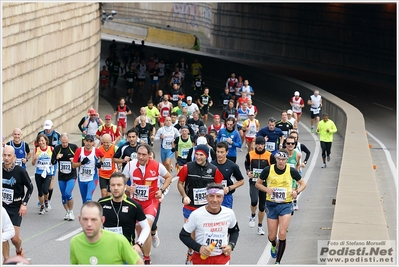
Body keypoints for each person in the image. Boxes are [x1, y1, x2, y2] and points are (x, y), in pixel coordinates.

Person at [123, 144, 172, 265]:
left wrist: (161, 190)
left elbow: (168, 177)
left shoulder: (157, 166)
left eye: (143, 155)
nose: (140, 157)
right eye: (139, 154)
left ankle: (146, 259)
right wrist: (128, 188)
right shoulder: (130, 165)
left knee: (146, 227)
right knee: (139, 229)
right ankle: (145, 251)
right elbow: (121, 181)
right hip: (135, 203)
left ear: (149, 155)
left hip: (151, 202)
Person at [255, 150, 306, 265]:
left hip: (286, 204)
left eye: (283, 159)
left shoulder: (291, 170)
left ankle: (277, 262)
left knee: (282, 233)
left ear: (286, 160)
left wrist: (296, 191)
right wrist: (267, 189)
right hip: (271, 204)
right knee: (272, 236)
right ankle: (273, 244)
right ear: (276, 159)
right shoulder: (268, 170)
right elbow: (257, 184)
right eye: (279, 159)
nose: (281, 161)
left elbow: (303, 184)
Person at [177, 145, 224, 264]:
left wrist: (216, 202)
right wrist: (184, 196)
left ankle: (203, 254)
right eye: (196, 154)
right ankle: (191, 252)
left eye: (201, 155)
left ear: (206, 156)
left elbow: (219, 188)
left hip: (206, 208)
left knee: (204, 233)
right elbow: (180, 183)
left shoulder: (214, 170)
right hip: (190, 206)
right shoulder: (187, 167)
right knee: (191, 234)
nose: (198, 157)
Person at [179, 183, 239, 265]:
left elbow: (234, 231)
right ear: (206, 197)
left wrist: (231, 245)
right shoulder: (196, 214)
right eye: (211, 196)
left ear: (222, 198)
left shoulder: (229, 213)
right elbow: (183, 235)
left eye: (218, 196)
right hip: (201, 259)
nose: (215, 200)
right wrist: (199, 248)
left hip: (221, 259)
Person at [70, 201, 144, 265]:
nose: (89, 224)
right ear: (79, 219)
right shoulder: (75, 242)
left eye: (94, 219)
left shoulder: (119, 241)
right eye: (85, 219)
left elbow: (138, 263)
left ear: (102, 220)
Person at [98, 172, 151, 256]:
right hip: (106, 249)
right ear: (110, 187)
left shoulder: (134, 206)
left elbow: (146, 227)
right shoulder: (102, 203)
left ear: (125, 187)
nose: (116, 188)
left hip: (127, 251)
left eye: (119, 185)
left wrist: (138, 244)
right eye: (113, 185)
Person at [2, 145, 34, 261]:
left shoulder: (20, 171)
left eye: (9, 155)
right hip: (3, 207)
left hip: (15, 207)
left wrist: (24, 204)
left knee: (14, 238)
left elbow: (30, 188)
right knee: (3, 235)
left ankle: (19, 248)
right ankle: (6, 260)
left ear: (14, 157)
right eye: (4, 155)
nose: (6, 158)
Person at [245, 136, 276, 235]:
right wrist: (248, 172)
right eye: (258, 144)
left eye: (262, 144)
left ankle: (260, 225)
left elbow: (273, 168)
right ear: (255, 144)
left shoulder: (269, 155)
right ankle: (253, 215)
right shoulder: (250, 154)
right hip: (254, 182)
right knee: (254, 201)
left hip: (264, 184)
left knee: (262, 207)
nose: (259, 146)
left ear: (264, 145)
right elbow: (246, 165)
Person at [51, 133, 78, 220]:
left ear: (68, 140)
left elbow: (80, 160)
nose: (65, 144)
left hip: (71, 175)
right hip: (62, 176)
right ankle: (67, 212)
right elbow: (52, 162)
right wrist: (56, 157)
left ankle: (71, 211)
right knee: (63, 195)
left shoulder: (73, 147)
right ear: (60, 141)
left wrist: (74, 160)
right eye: (63, 142)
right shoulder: (57, 148)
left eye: (66, 142)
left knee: (68, 193)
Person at [36, 119, 61, 210]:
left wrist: (57, 157)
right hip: (42, 160)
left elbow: (59, 147)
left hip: (52, 161)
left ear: (52, 127)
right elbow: (36, 146)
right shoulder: (40, 134)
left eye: (49, 128)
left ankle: (48, 200)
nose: (47, 130)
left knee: (50, 181)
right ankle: (42, 198)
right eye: (46, 129)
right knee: (42, 182)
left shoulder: (57, 135)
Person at [72, 135, 105, 204]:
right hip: (82, 178)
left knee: (88, 197)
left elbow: (103, 156)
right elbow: (73, 165)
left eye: (91, 141)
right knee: (84, 200)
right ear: (84, 141)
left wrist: (100, 163)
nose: (88, 143)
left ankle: (90, 213)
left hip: (92, 178)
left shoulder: (96, 151)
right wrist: (81, 163)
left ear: (93, 143)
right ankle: (85, 214)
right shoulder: (79, 151)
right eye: (87, 141)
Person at [211, 142, 244, 209]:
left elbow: (241, 181)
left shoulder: (232, 166)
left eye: (222, 152)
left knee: (225, 218)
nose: (219, 154)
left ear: (227, 152)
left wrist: (229, 188)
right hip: (213, 195)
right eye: (218, 152)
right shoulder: (211, 165)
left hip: (226, 196)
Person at [32, 134, 54, 214]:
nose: (41, 142)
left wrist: (54, 162)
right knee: (40, 192)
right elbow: (33, 163)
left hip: (48, 172)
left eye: (42, 140)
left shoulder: (51, 149)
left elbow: (54, 160)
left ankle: (46, 202)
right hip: (38, 173)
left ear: (46, 140)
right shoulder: (36, 150)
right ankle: (42, 206)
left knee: (45, 190)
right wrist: (34, 159)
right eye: (39, 141)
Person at [98, 134, 119, 198]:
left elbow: (120, 158)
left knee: (110, 194)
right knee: (103, 193)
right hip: (102, 174)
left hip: (112, 174)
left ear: (110, 141)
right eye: (104, 142)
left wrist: (118, 167)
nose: (106, 144)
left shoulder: (115, 148)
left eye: (107, 142)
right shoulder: (99, 148)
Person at [285, 135, 302, 212]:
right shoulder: (281, 154)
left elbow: (298, 164)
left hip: (292, 179)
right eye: (288, 143)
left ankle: (291, 205)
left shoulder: (298, 155)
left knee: (291, 194)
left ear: (295, 144)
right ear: (285, 144)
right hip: (282, 178)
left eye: (292, 143)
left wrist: (297, 174)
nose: (290, 145)